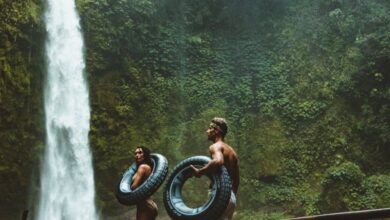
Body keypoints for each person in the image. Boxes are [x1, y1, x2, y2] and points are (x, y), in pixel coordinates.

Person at [190, 117, 239, 220]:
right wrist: (230, 196)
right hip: (231, 197)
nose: (207, 131)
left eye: (209, 128)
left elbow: (218, 161)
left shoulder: (215, 146)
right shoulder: (232, 151)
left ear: (216, 131)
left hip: (219, 195)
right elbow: (236, 180)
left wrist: (200, 171)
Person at [131, 146, 158, 220]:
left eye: (140, 152)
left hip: (144, 205)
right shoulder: (148, 167)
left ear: (145, 154)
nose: (137, 155)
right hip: (150, 203)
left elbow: (134, 187)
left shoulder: (142, 167)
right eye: (135, 153)